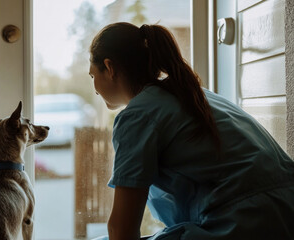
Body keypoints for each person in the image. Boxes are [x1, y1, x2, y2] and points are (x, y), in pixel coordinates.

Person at [88, 22, 294, 240]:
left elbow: (121, 230)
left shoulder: (137, 116)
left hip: (242, 224)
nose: (94, 88)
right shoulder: (194, 95)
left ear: (109, 68)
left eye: (93, 76)